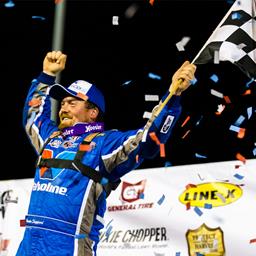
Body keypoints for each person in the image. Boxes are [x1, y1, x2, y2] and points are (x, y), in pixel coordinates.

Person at [16, 50, 196, 256]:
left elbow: (148, 139)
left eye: (72, 103)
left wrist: (173, 96)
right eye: (63, 103)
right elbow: (32, 115)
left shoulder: (105, 144)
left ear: (92, 113)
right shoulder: (50, 137)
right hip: (30, 242)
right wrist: (46, 75)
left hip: (70, 245)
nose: (63, 107)